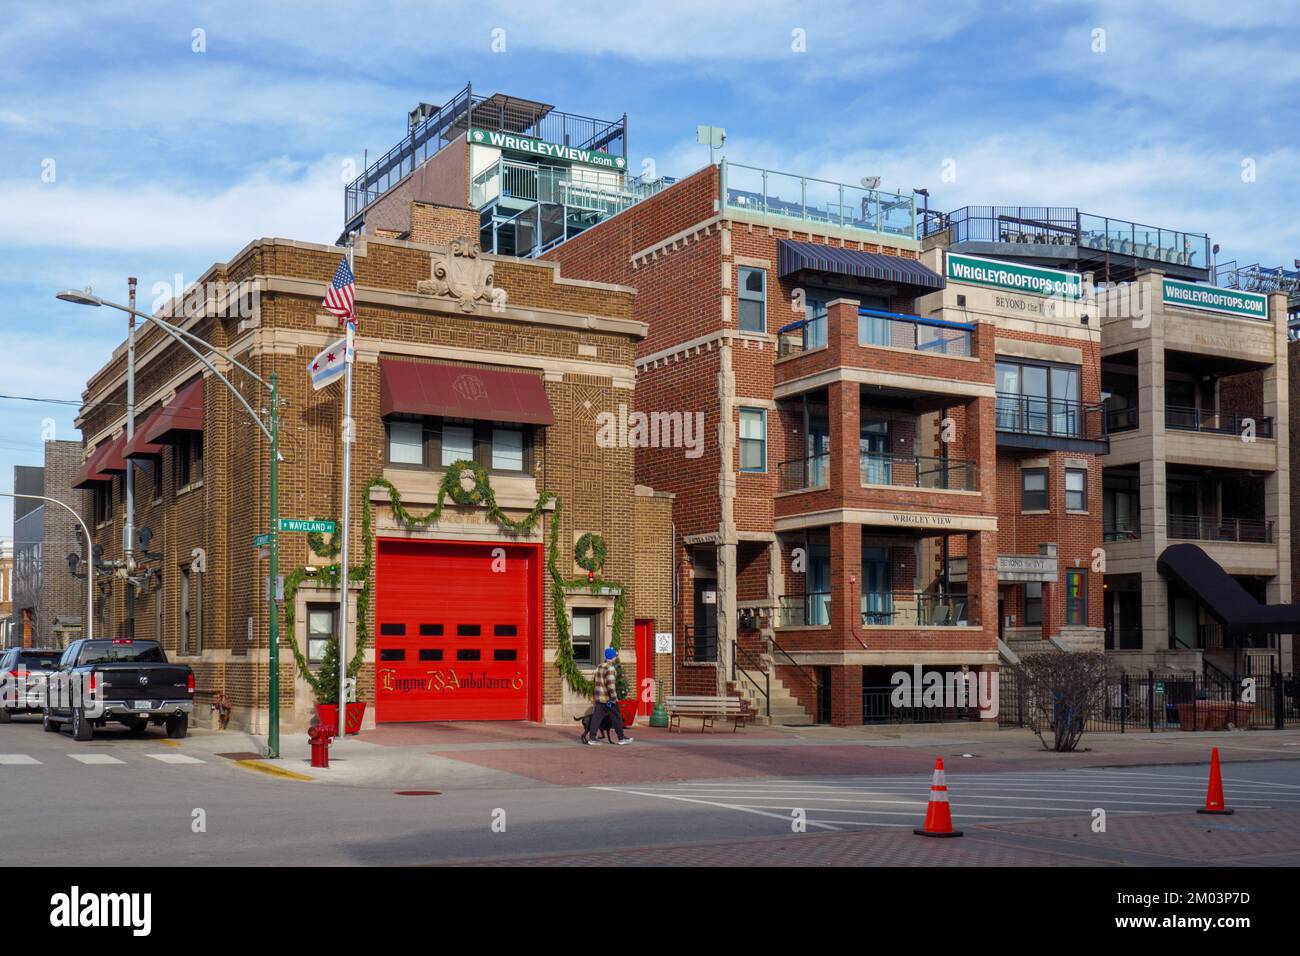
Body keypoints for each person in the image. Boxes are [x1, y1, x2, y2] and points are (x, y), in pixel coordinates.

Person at [587, 646, 632, 745]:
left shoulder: (599, 666)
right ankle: (621, 738)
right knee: (617, 717)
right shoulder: (610, 668)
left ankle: (592, 738)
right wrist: (614, 698)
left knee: (597, 717)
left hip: (599, 697)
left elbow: (594, 681)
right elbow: (611, 685)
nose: (616, 657)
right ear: (612, 657)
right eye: (615, 656)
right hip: (608, 699)